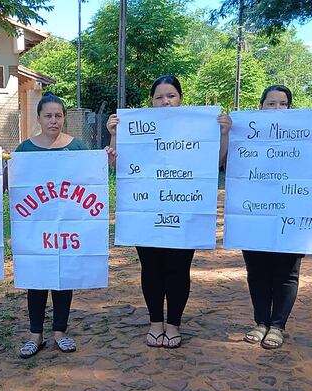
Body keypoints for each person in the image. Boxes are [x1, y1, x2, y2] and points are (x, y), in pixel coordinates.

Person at [106, 75, 232, 349]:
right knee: (150, 268)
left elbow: (219, 162)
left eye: (171, 96)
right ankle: (155, 323)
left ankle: (173, 324)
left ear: (180, 98)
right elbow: (118, 166)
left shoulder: (199, 127)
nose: (165, 101)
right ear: (151, 101)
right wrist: (114, 136)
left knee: (178, 269)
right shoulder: (138, 128)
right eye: (159, 97)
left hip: (185, 209)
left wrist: (223, 134)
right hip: (145, 211)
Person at [241, 85, 312, 349]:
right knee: (257, 271)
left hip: (293, 213)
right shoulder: (245, 133)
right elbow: (225, 161)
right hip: (254, 212)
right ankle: (260, 322)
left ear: (290, 107)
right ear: (260, 106)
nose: (277, 109)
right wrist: (226, 131)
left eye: (283, 104)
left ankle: (277, 326)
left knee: (287, 273)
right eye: (271, 103)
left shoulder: (303, 135)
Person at [15, 92, 116, 358]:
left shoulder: (77, 147)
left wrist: (106, 157)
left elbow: (95, 176)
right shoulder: (25, 149)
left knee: (63, 276)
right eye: (47, 116)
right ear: (38, 118)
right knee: (36, 278)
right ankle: (35, 335)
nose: (53, 121)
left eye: (58, 115)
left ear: (64, 118)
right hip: (35, 225)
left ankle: (60, 331)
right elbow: (11, 186)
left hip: (69, 225)